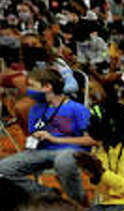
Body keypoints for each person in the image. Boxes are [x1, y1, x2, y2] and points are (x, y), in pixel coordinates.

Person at [0, 67, 94, 203]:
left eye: (32, 86)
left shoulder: (77, 109)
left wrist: (55, 139)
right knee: (3, 169)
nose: (28, 90)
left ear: (47, 87)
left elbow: (91, 140)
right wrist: (34, 136)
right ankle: (49, 196)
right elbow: (32, 135)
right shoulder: (35, 109)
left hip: (71, 150)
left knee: (63, 162)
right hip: (42, 151)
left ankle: (78, 201)